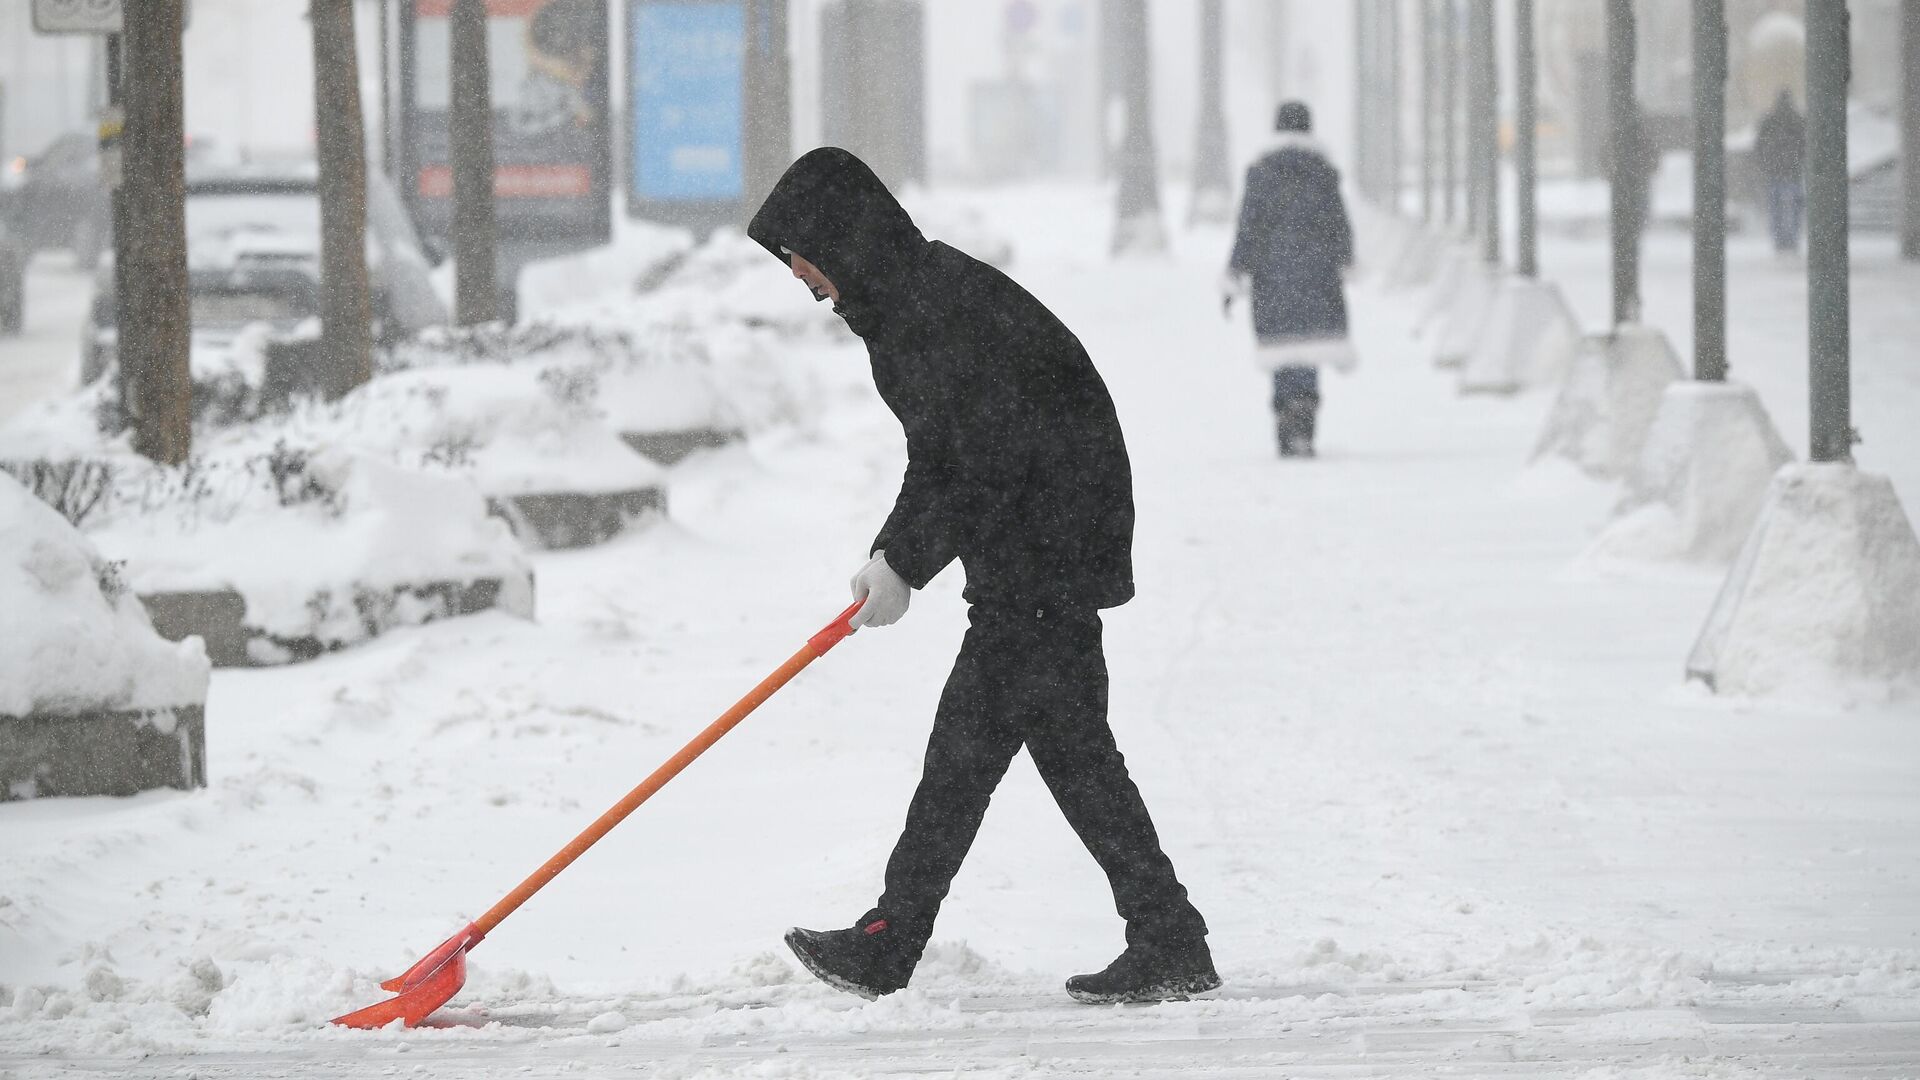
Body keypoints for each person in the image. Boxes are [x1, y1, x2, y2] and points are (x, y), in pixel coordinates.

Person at [747, 147, 1217, 1006]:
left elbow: (984, 454)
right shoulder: (906, 302)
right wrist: (893, 554)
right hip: (1037, 542)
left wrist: (908, 564)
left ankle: (900, 938)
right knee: (1034, 752)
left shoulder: (934, 310)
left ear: (838, 237)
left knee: (996, 752)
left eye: (799, 252)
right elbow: (946, 454)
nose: (800, 273)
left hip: (1049, 542)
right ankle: (1160, 933)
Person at [1223, 101, 1355, 458]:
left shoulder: (1261, 173)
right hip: (1317, 275)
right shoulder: (1322, 172)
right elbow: (1338, 223)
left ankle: (1285, 416)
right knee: (1309, 347)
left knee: (1281, 351)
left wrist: (1235, 273)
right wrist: (1344, 258)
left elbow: (1248, 229)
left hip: (1272, 277)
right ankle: (1305, 419)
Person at [1753, 89, 1807, 254]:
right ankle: (1791, 238)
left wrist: (1765, 163)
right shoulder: (1797, 120)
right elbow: (1804, 144)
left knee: (1776, 207)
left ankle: (1780, 239)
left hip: (1776, 170)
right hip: (1792, 170)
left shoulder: (1770, 121)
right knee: (1794, 206)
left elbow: (1760, 145)